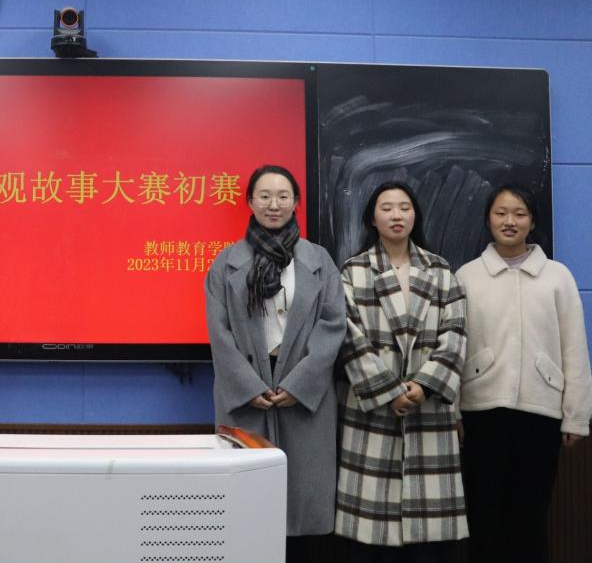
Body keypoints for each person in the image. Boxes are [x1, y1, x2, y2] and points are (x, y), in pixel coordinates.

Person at [205, 164, 346, 562]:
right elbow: (219, 333)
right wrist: (249, 386)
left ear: (296, 201)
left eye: (283, 196)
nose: (274, 204)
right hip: (246, 396)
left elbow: (333, 325)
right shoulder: (227, 263)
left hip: (304, 397)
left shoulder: (318, 260)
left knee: (303, 506)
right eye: (264, 196)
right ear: (250, 201)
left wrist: (299, 384)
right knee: (246, 509)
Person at [455, 184, 592, 563]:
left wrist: (576, 417)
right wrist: (452, 410)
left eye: (519, 214)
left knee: (530, 518)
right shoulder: (467, 276)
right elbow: (453, 348)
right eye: (501, 213)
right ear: (488, 219)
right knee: (484, 518)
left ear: (532, 221)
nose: (509, 221)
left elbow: (575, 350)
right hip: (481, 413)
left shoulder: (557, 277)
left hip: (540, 414)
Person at [335, 181, 467, 562]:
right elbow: (348, 339)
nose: (396, 215)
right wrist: (390, 391)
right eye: (387, 208)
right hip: (374, 410)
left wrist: (424, 386)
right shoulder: (354, 271)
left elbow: (456, 335)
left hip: (428, 410)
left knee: (428, 541)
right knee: (372, 539)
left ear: (415, 216)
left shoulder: (440, 270)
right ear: (372, 218)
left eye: (405, 207)